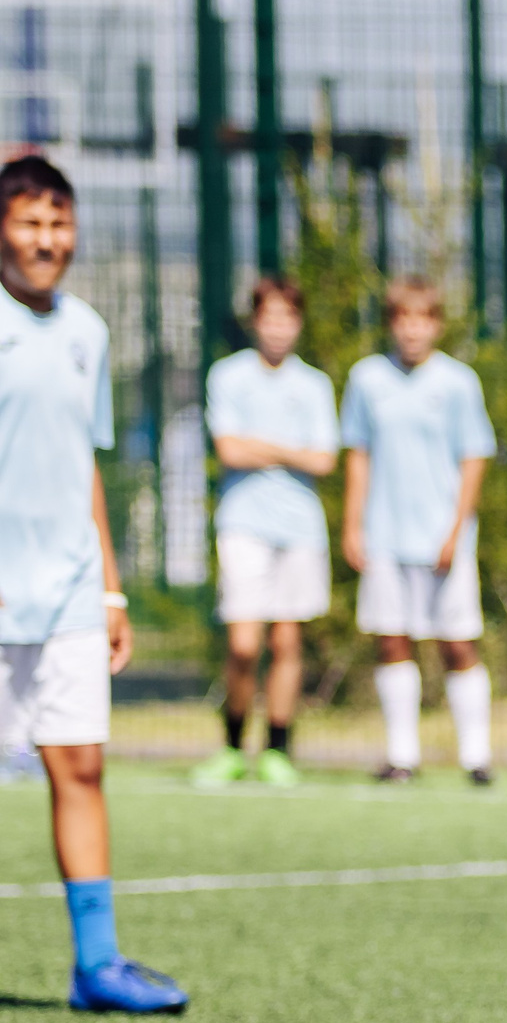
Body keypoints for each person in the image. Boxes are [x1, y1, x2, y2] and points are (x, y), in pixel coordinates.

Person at [0, 154, 187, 1012]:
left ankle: (97, 965)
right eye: (31, 222)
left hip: (71, 592)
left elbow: (85, 470)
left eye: (60, 223)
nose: (48, 241)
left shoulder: (85, 331)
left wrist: (110, 589)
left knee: (80, 768)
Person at [342, 277, 497, 785]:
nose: (412, 330)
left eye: (422, 319)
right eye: (402, 319)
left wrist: (455, 529)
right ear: (391, 324)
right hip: (386, 534)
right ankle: (401, 755)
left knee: (457, 643)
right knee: (392, 640)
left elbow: (473, 459)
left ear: (435, 324)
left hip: (442, 537)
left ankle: (476, 757)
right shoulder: (366, 379)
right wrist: (353, 525)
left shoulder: (458, 382)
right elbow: (358, 455)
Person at [194, 276, 339, 788]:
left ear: (298, 323)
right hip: (243, 523)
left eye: (288, 317)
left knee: (287, 641)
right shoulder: (228, 376)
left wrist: (264, 446)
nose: (278, 328)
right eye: (269, 316)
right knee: (243, 644)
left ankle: (278, 748)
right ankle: (233, 745)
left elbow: (323, 458)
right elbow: (230, 451)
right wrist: (289, 451)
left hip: (300, 528)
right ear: (255, 321)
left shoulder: (315, 385)